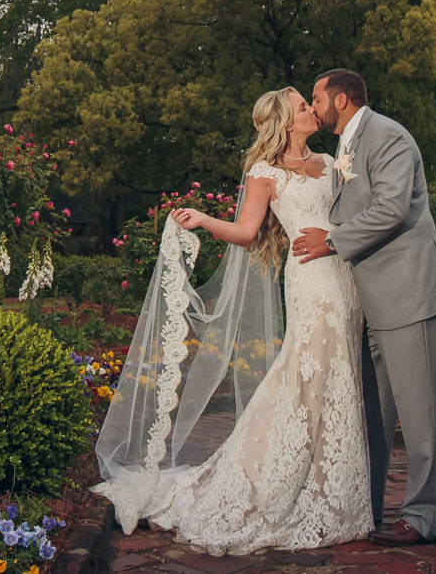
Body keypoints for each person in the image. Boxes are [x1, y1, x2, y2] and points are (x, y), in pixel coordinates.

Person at [92, 87, 373, 556]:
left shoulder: (329, 161)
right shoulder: (264, 172)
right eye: (304, 106)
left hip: (345, 280)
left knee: (339, 379)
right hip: (310, 284)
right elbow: (246, 232)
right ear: (286, 120)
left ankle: (335, 490)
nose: (312, 110)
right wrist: (203, 218)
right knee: (306, 379)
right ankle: (274, 483)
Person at [290, 68, 436, 546]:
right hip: (369, 302)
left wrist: (331, 241)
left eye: (316, 98)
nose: (314, 105)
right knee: (373, 416)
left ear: (341, 100)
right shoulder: (345, 145)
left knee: (423, 414)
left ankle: (424, 517)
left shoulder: (389, 137)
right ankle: (364, 509)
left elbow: (392, 208)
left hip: (409, 294)